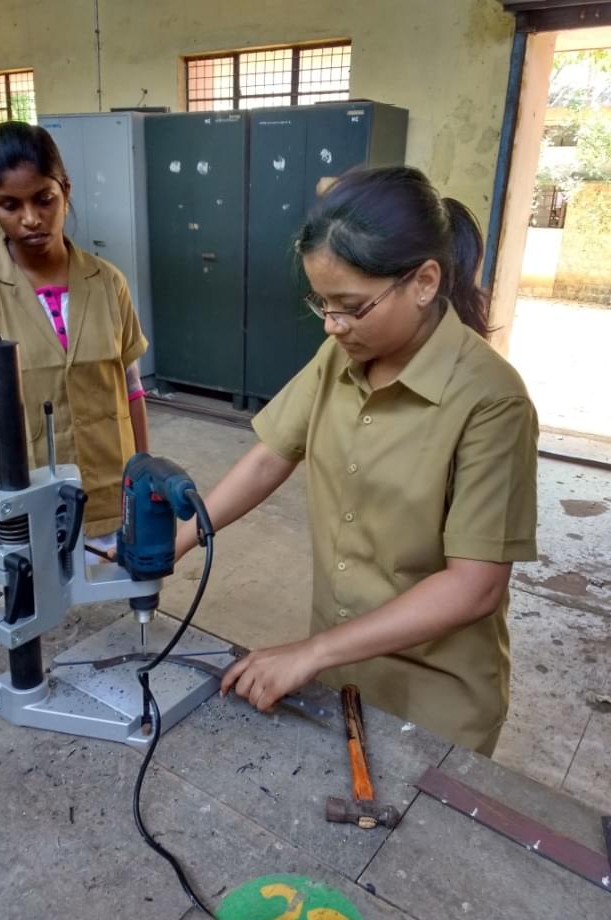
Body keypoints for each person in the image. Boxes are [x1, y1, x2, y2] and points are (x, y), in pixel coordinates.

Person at [176, 166, 538, 756]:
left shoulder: (492, 400)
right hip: (342, 670)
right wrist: (181, 538)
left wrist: (311, 651)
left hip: (435, 696)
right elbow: (271, 456)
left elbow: (474, 587)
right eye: (320, 302)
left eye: (350, 305)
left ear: (424, 281)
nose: (331, 323)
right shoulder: (337, 356)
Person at [0, 121, 149, 547]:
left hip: (109, 495)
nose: (31, 219)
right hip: (18, 499)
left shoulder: (108, 282)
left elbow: (132, 388)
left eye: (44, 199)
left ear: (65, 189)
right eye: (10, 205)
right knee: (33, 602)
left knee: (110, 592)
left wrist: (142, 470)